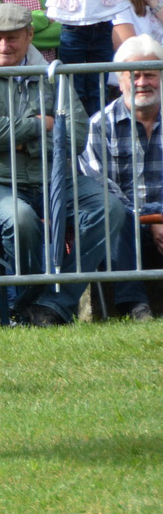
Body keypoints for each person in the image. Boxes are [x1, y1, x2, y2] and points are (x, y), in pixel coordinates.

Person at [0, 3, 122, 326]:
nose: (3, 46)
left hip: (52, 178)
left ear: (30, 35)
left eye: (12, 38)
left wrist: (13, 135)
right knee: (20, 218)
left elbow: (77, 134)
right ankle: (25, 306)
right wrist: (40, 125)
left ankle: (53, 303)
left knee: (110, 208)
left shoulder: (52, 73)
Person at [79, 35, 163, 321]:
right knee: (113, 214)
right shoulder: (98, 125)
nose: (142, 82)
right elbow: (102, 186)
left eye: (150, 74)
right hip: (128, 222)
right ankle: (136, 306)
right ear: (120, 79)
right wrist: (152, 218)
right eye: (134, 75)